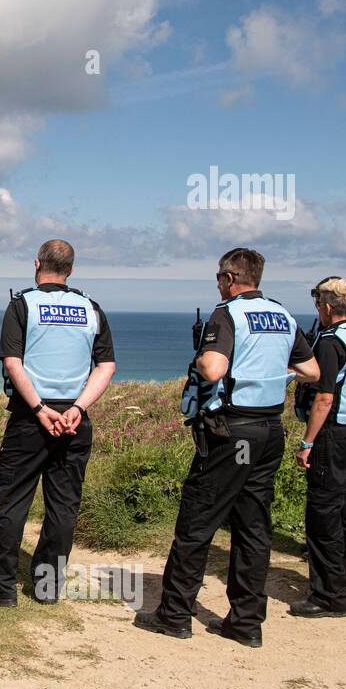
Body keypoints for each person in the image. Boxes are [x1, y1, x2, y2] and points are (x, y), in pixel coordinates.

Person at [136, 248, 318, 647]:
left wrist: (203, 358)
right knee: (253, 527)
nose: (218, 283)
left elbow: (214, 369)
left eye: (219, 276)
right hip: (270, 429)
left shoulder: (227, 313)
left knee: (198, 520)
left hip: (231, 430)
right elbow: (311, 371)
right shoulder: (282, 314)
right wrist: (269, 372)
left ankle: (174, 614)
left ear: (231, 278)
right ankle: (246, 623)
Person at [0, 239, 116, 608]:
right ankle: (47, 587)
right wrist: (77, 407)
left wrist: (41, 408)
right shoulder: (91, 308)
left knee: (12, 503)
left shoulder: (23, 305)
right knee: (63, 507)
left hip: (32, 419)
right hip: (75, 421)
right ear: (71, 270)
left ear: (36, 263)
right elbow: (106, 366)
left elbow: (13, 363)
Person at [290, 277, 346, 619]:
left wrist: (307, 442)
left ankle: (329, 597)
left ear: (327, 307)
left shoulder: (330, 342)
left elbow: (325, 397)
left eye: (318, 305)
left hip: (333, 435)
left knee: (323, 516)